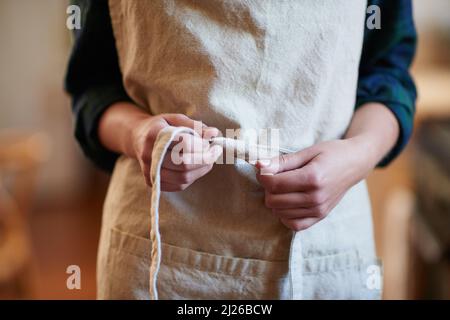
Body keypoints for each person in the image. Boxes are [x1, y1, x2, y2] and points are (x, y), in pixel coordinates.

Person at [65, 0, 416, 299]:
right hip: (161, 256)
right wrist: (138, 134)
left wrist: (360, 152)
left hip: (323, 252)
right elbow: (92, 86)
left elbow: (388, 74)